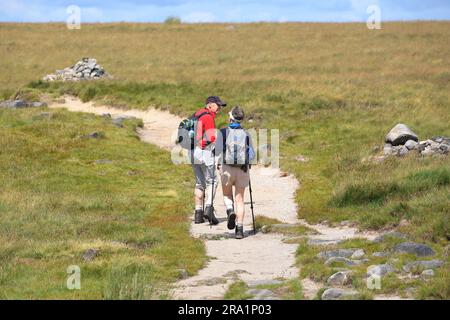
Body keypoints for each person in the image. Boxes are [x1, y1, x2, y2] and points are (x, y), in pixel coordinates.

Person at [217, 106, 255, 239]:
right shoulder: (246, 133)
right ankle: (239, 229)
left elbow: (216, 151)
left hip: (227, 168)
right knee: (240, 199)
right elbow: (251, 154)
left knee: (227, 195)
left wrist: (217, 163)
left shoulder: (223, 132)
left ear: (231, 118)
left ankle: (230, 210)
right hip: (242, 169)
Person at [190, 96, 226, 225]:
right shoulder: (208, 117)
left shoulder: (197, 114)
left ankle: (198, 215)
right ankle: (208, 208)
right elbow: (211, 137)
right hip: (203, 152)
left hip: (192, 152)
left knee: (199, 183)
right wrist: (203, 145)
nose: (219, 109)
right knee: (213, 181)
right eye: (218, 105)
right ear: (210, 105)